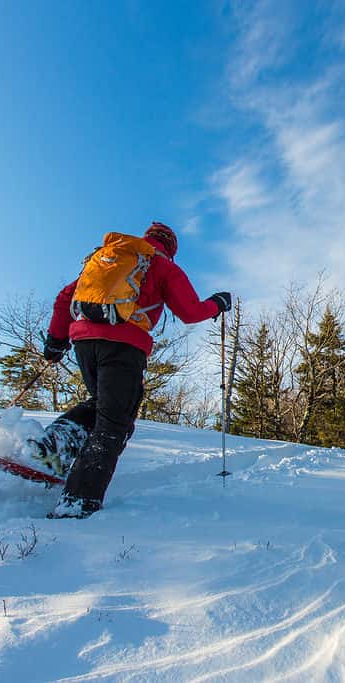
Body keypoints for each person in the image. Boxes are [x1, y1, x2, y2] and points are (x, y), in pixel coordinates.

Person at [32, 221, 231, 519]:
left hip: (84, 342)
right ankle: (78, 501)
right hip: (124, 345)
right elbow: (190, 312)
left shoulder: (109, 258)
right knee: (115, 423)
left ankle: (52, 447)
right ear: (171, 248)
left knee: (102, 404)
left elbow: (65, 298)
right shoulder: (162, 266)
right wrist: (217, 304)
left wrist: (55, 340)